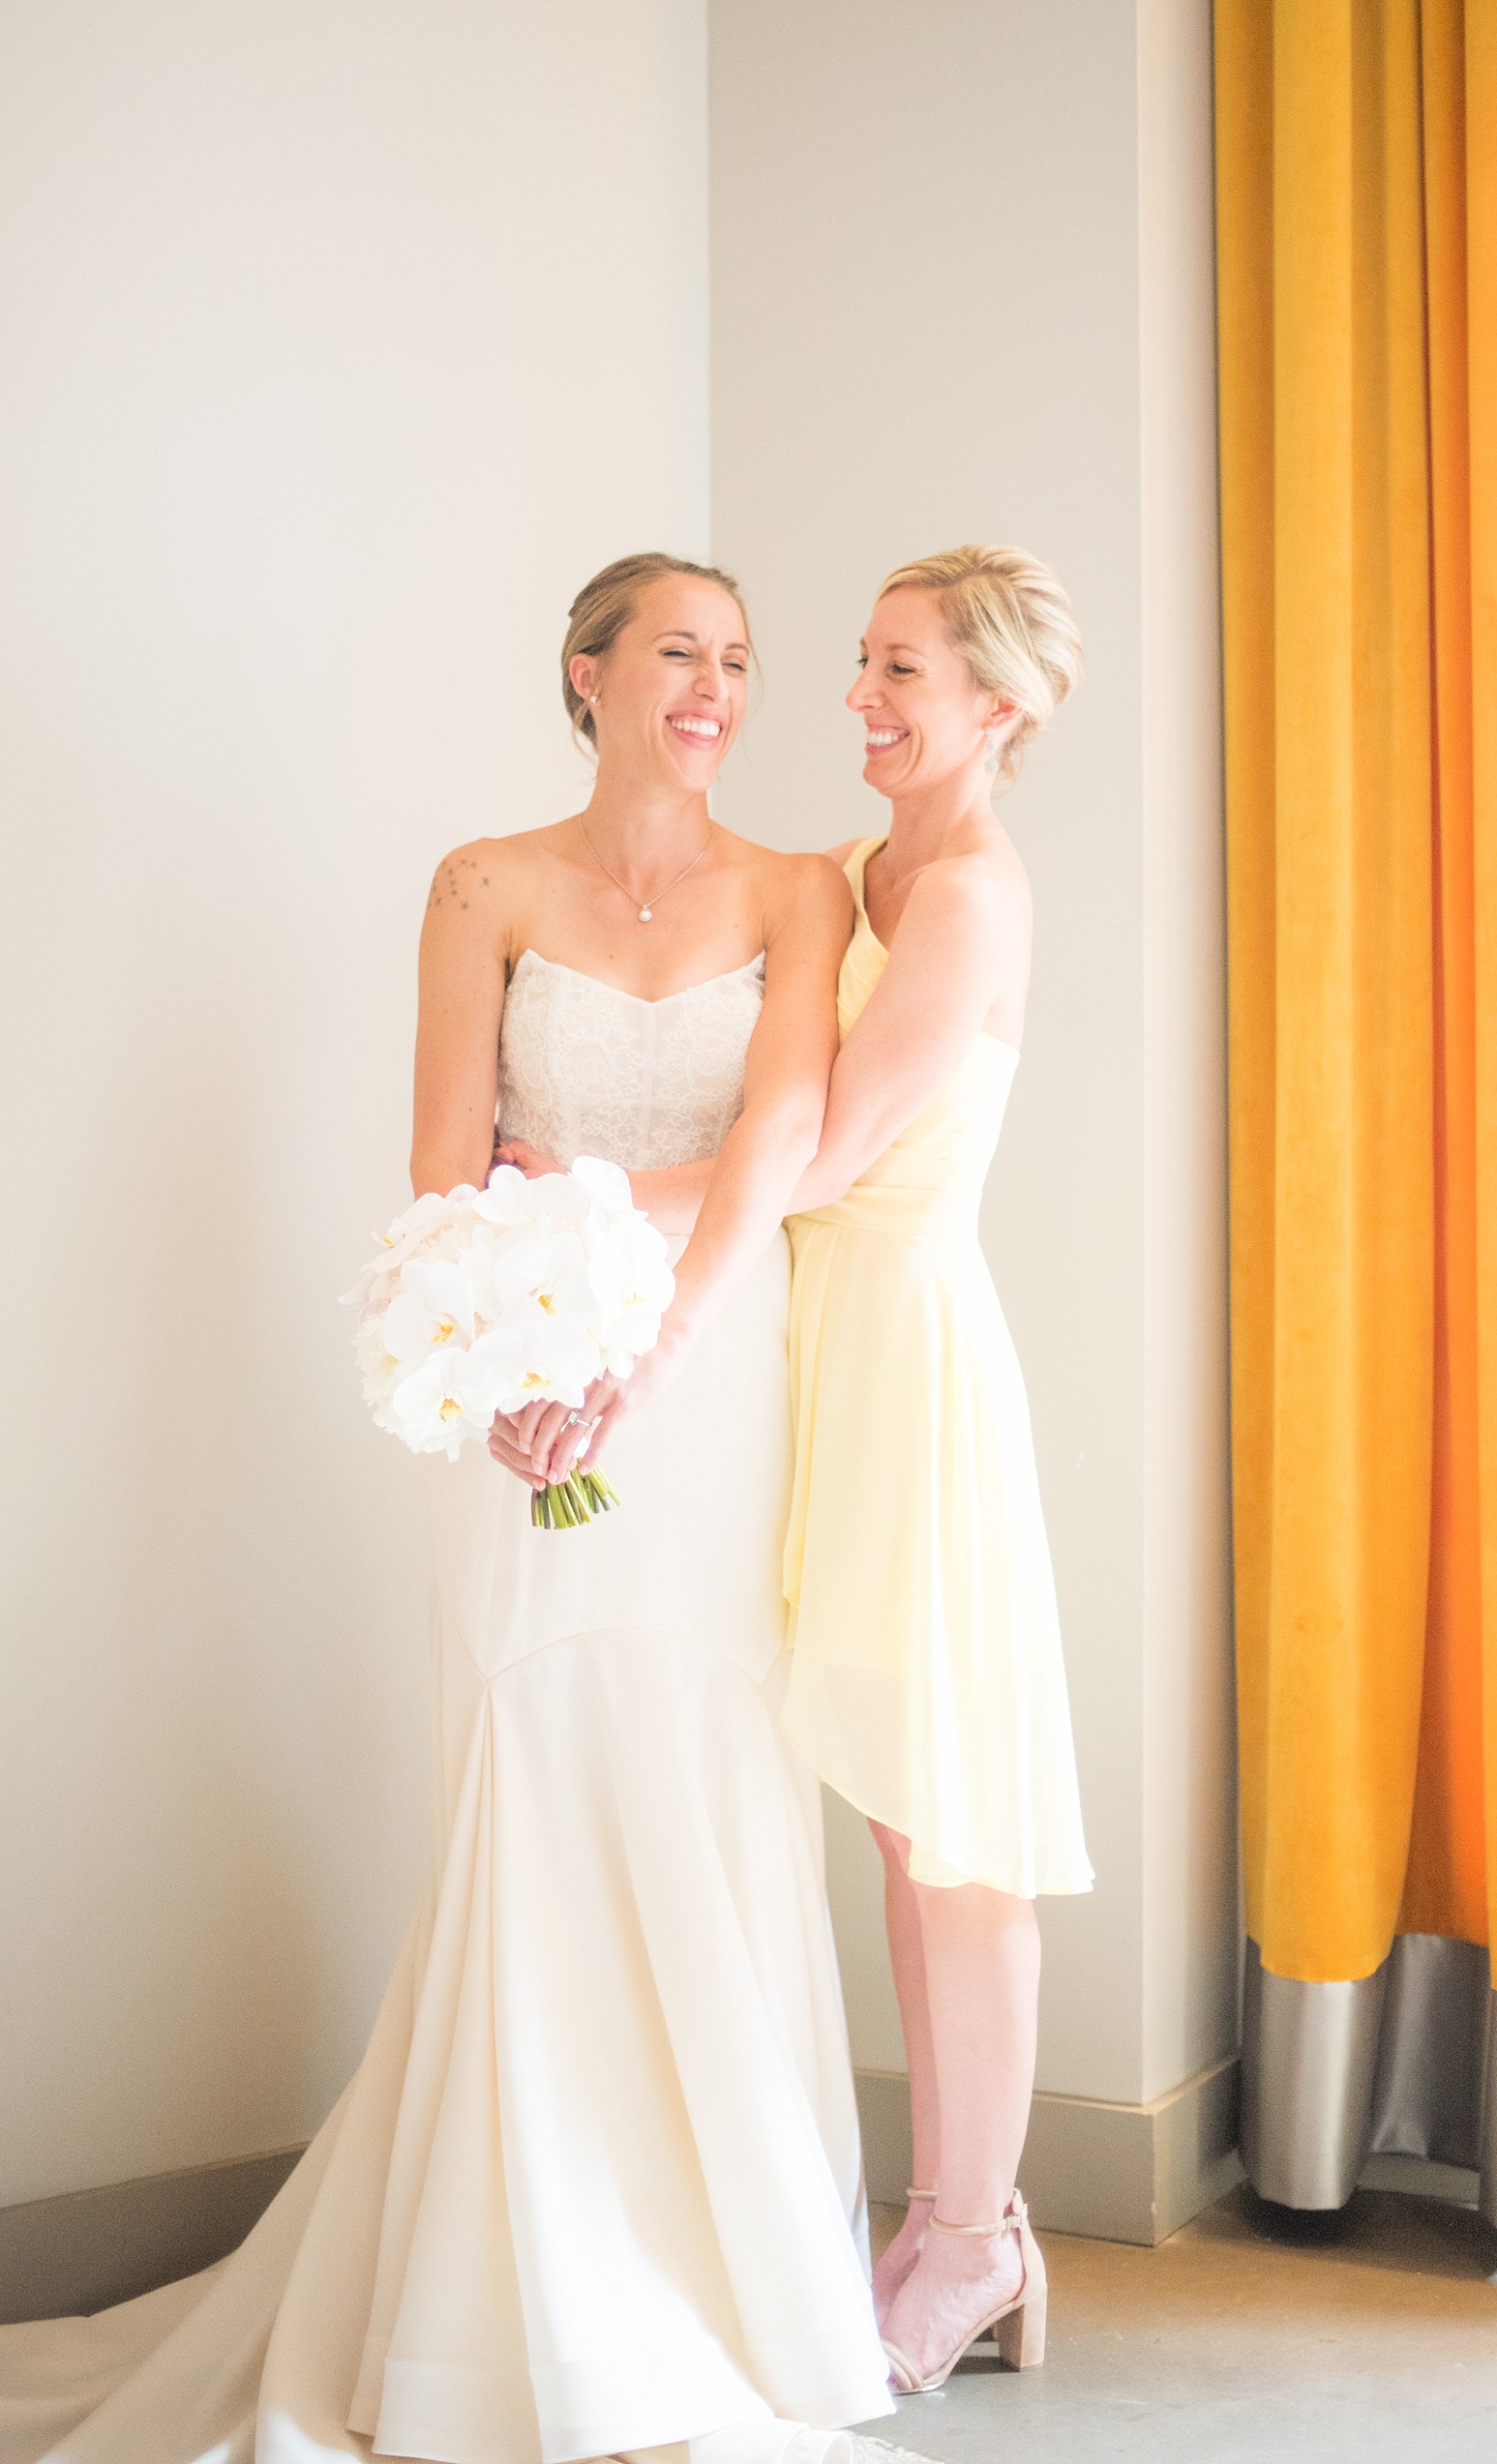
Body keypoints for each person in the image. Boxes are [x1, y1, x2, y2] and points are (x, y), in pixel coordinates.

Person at [0, 553, 892, 2462]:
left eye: (739, 660)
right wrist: (515, 1347)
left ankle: (719, 2278)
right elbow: (437, 1168)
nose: (717, 686)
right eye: (679, 650)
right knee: (535, 1772)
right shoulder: (482, 883)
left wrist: (591, 1244)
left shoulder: (798, 888)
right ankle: (505, 2285)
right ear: (585, 673)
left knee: (703, 1767)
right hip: (512, 1394)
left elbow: (781, 1141)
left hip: (705, 1381)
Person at [778, 547, 1093, 2395]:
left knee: (945, 1823)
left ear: (1001, 704)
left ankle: (974, 2236)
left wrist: (577, 1217)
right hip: (803, 1353)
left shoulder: (971, 895)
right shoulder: (835, 877)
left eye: (903, 670)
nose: (864, 698)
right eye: (864, 663)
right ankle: (937, 2217)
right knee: (880, 1811)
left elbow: (816, 1151)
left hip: (905, 1353)